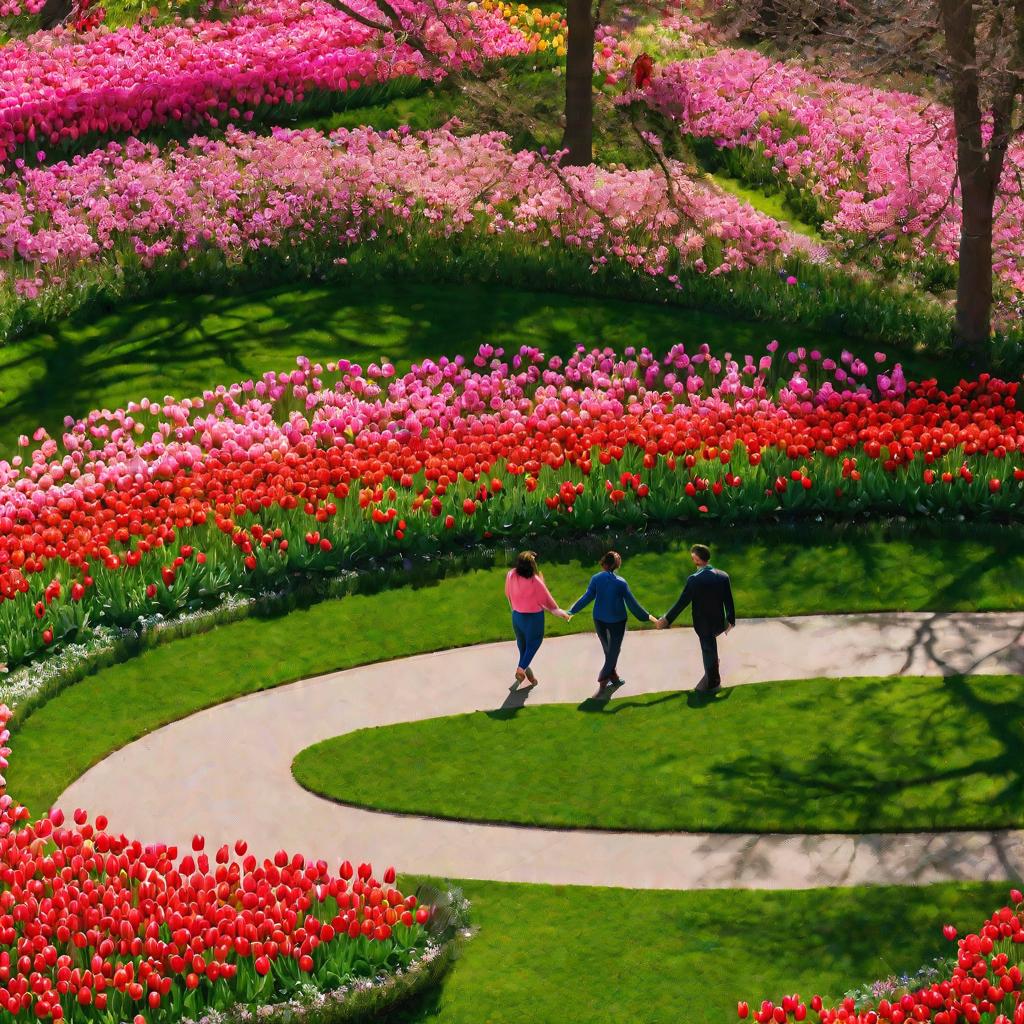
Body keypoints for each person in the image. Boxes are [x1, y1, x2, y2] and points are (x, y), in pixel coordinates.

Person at [569, 551, 660, 689]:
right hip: (617, 622)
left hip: (599, 620)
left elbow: (587, 597)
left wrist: (572, 611)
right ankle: (604, 675)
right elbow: (632, 604)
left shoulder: (596, 579)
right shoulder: (621, 583)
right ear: (617, 565)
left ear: (604, 562)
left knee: (608, 650)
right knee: (614, 651)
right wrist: (649, 617)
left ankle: (614, 677)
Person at [657, 543, 735, 692]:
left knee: (707, 649)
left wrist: (666, 619)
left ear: (697, 559)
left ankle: (713, 683)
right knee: (711, 648)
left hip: (703, 623)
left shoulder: (694, 580)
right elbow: (728, 601)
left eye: (693, 558)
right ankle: (713, 666)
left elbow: (682, 602)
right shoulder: (723, 576)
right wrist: (730, 620)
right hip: (718, 621)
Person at [504, 551, 571, 688]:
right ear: (532, 565)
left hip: (517, 617)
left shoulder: (511, 575)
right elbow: (548, 602)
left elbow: (508, 593)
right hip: (533, 619)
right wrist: (561, 613)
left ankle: (529, 676)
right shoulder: (535, 581)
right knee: (534, 643)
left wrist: (514, 609)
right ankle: (521, 669)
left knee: (523, 649)